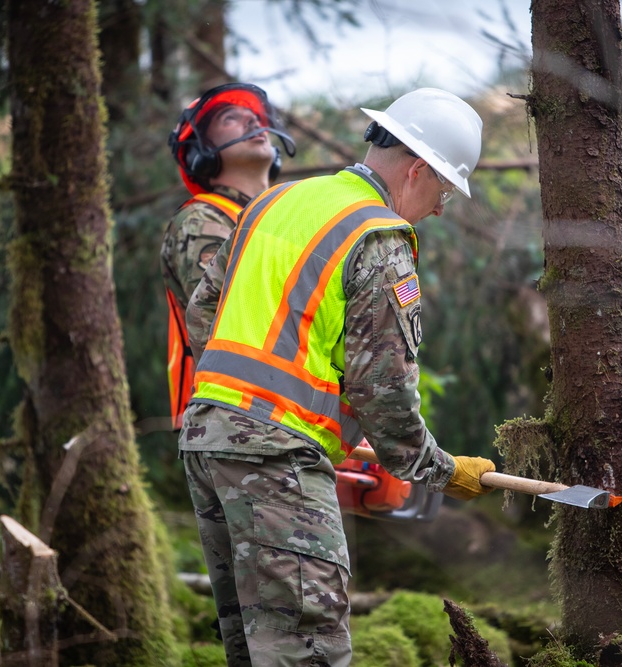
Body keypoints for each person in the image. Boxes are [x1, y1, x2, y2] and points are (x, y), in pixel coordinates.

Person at [180, 87, 496, 667]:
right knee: (308, 651)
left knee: (253, 651)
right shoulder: (379, 237)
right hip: (276, 458)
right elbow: (386, 391)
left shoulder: (277, 202)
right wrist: (442, 470)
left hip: (207, 442)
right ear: (418, 171)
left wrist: (271, 402)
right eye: (445, 190)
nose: (442, 207)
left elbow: (204, 311)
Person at [161, 82, 296, 429]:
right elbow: (226, 320)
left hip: (282, 416)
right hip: (231, 419)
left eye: (255, 115)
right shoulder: (201, 220)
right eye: (230, 118)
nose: (253, 121)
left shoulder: (277, 222)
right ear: (200, 153)